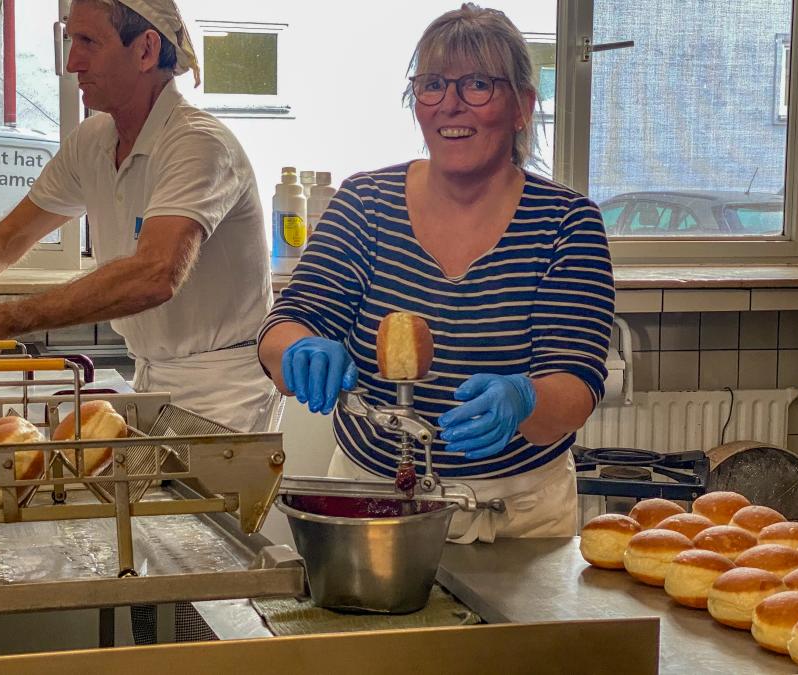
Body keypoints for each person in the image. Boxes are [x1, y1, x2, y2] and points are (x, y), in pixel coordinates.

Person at [257, 4, 615, 543]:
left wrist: (526, 398)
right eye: (432, 85)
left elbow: (577, 383)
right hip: (374, 501)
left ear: (522, 106)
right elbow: (288, 321)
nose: (451, 104)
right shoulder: (365, 204)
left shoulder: (565, 224)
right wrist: (295, 351)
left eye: (477, 85)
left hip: (518, 514)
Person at [0, 0, 273, 433]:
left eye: (88, 41)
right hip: (151, 375)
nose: (71, 62)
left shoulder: (197, 144)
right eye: (70, 40)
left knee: (205, 504)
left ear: (145, 50)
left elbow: (155, 274)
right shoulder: (94, 141)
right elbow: (7, 239)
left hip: (226, 389)